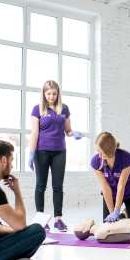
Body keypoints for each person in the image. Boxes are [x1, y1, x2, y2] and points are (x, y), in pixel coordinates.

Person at [28, 80, 84, 232]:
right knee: (41, 185)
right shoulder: (37, 109)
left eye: (54, 93)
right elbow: (34, 133)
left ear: (58, 93)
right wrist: (31, 152)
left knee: (58, 186)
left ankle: (58, 219)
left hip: (60, 151)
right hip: (41, 151)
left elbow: (68, 130)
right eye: (48, 94)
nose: (51, 96)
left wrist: (74, 133)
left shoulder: (64, 108)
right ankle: (40, 220)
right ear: (44, 94)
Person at [91, 132, 130, 238]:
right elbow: (106, 189)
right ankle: (124, 214)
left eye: (103, 152)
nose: (100, 155)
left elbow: (121, 187)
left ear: (110, 150)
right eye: (98, 151)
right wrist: (112, 214)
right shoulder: (96, 161)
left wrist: (116, 211)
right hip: (111, 196)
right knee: (109, 229)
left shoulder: (126, 157)